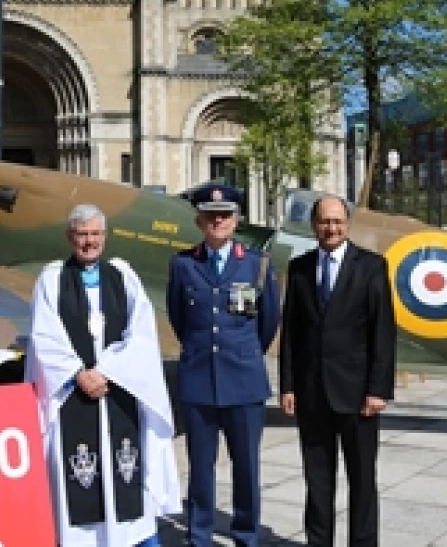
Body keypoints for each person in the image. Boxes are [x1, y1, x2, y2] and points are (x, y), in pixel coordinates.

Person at [25, 204, 181, 547]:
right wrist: (78, 374)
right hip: (72, 397)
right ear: (70, 237)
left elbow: (142, 336)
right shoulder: (52, 280)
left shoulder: (123, 276)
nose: (89, 241)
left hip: (118, 395)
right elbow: (44, 338)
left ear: (105, 237)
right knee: (78, 483)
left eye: (96, 234)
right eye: (82, 234)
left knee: (124, 476)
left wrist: (106, 371)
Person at [278, 195, 396, 547]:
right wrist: (288, 386)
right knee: (318, 482)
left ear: (347, 224)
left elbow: (383, 332)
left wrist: (378, 390)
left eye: (337, 222)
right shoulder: (300, 268)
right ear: (314, 226)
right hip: (313, 394)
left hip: (358, 395)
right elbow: (291, 335)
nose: (331, 228)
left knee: (361, 481)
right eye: (324, 222)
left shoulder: (371, 267)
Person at [167, 183, 280, 547]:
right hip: (200, 380)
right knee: (200, 468)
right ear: (199, 219)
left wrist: (242, 353)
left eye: (226, 215)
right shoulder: (184, 264)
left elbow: (268, 323)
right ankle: (199, 536)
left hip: (244, 382)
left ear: (236, 219)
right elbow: (178, 317)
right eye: (211, 215)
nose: (218, 221)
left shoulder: (257, 264)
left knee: (246, 467)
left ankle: (246, 534)